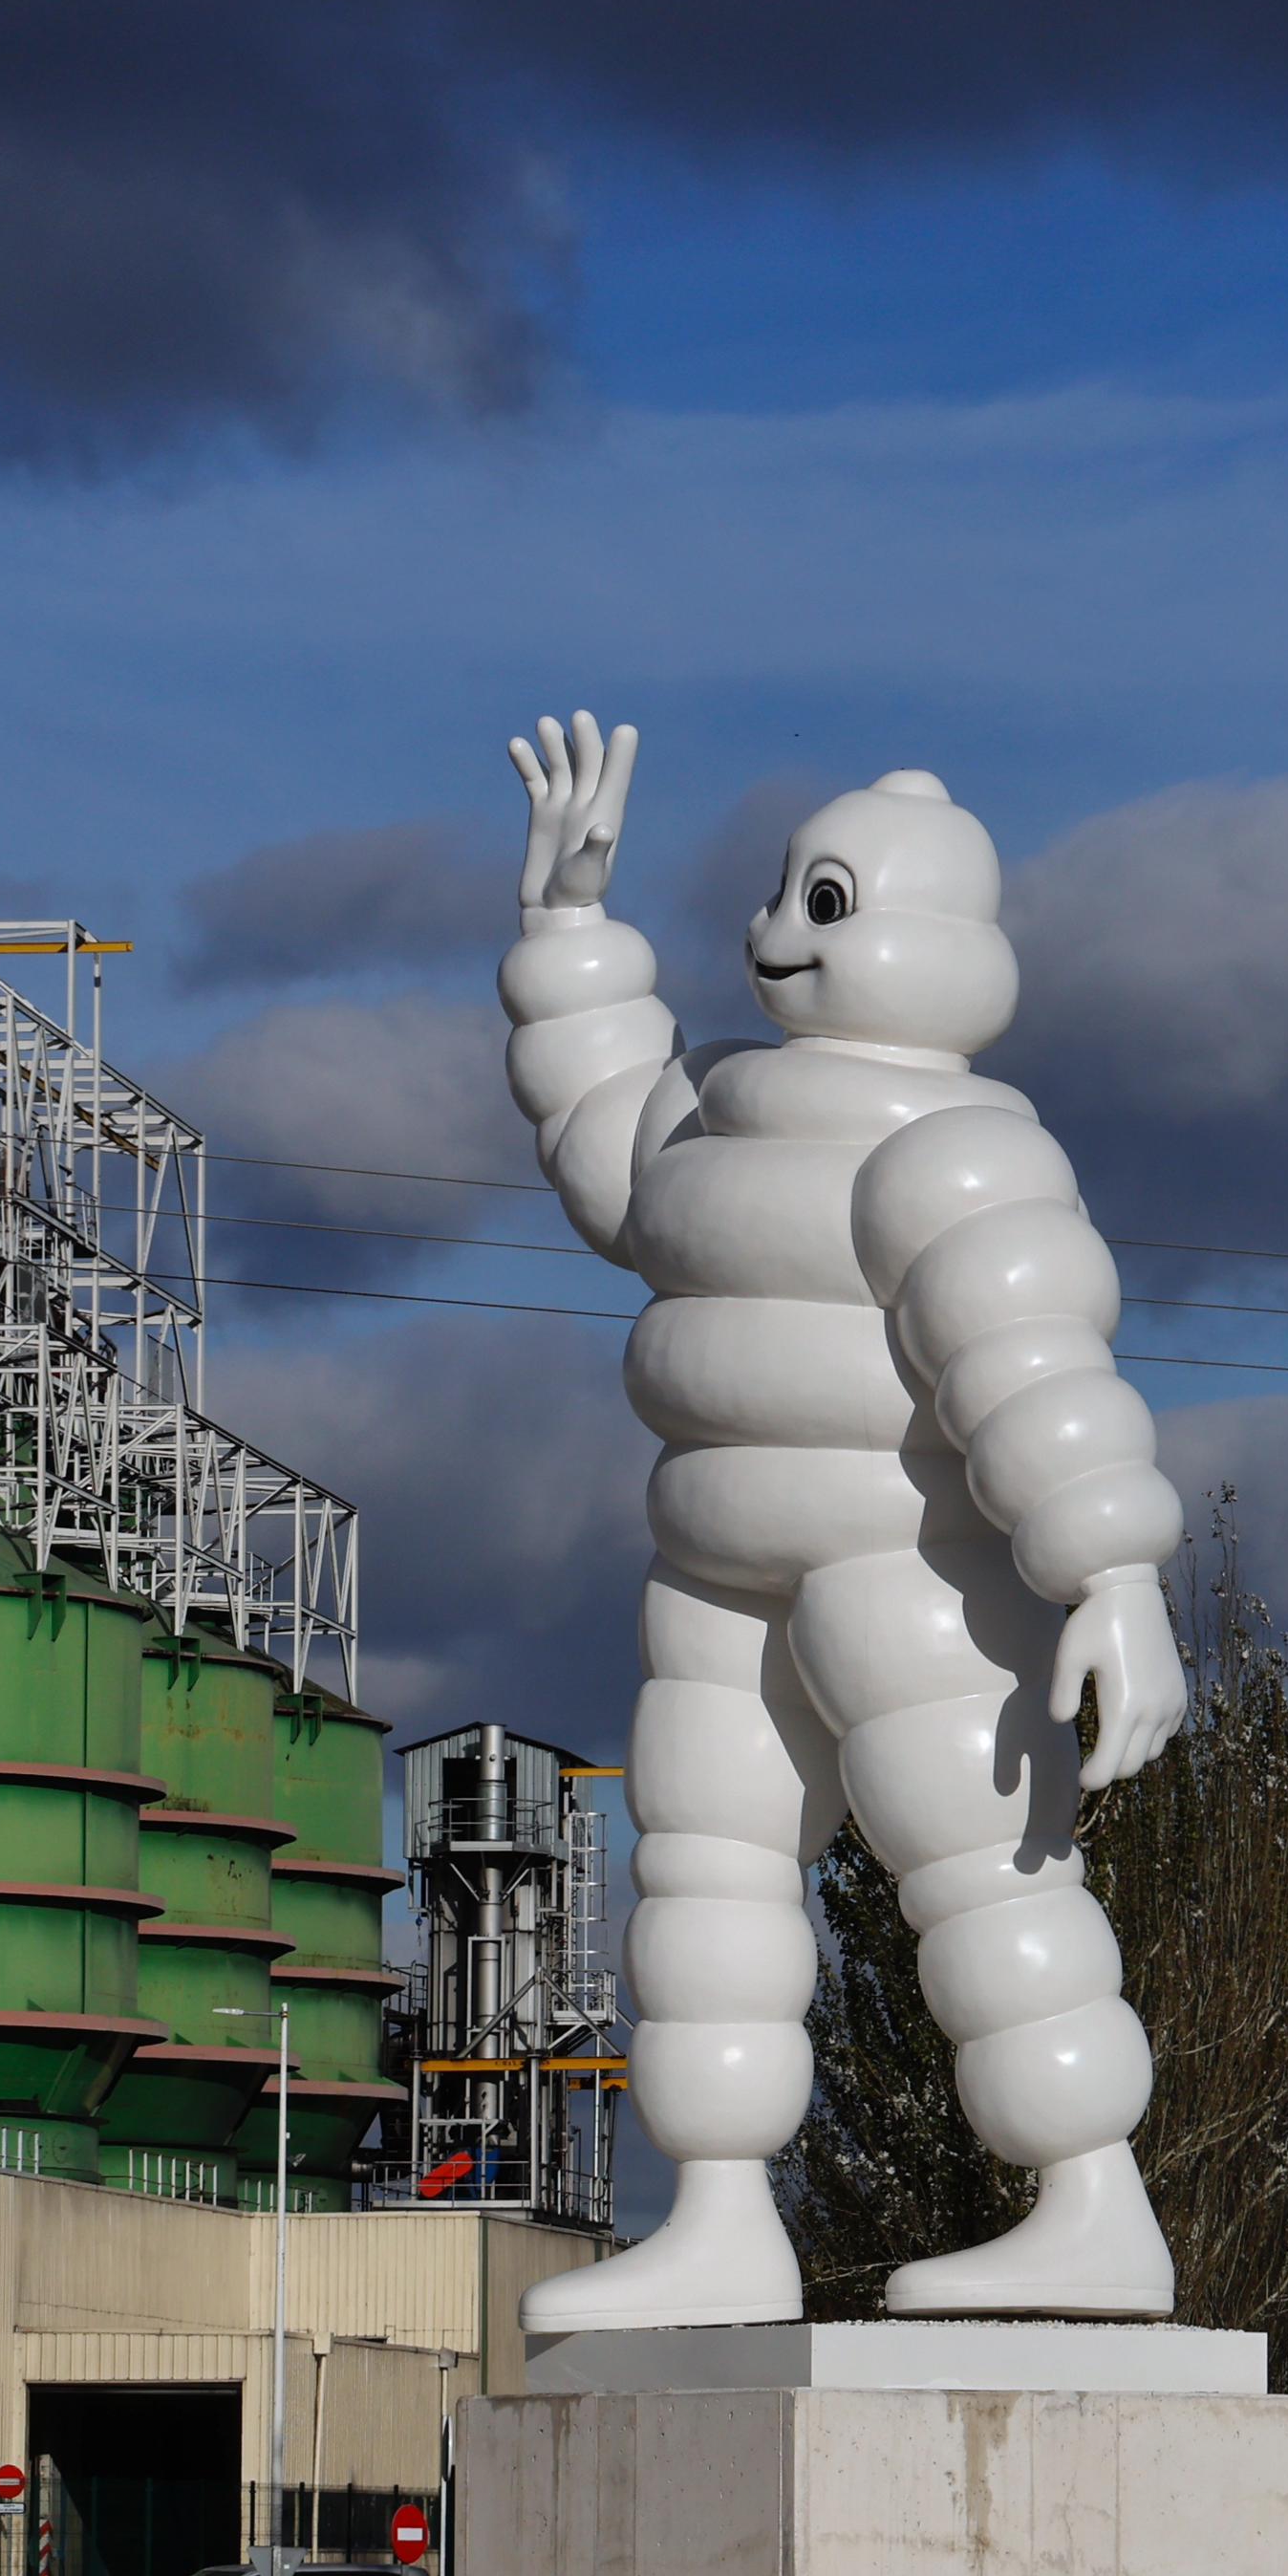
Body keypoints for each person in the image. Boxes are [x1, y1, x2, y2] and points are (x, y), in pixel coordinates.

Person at [493, 710, 1188, 2329]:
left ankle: (1094, 2196)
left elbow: (1035, 1359)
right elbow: (602, 1141)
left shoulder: (956, 1150)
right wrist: (569, 924)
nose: (776, 929)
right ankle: (722, 2210)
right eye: (784, 893)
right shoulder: (711, 1113)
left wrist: (1111, 1567)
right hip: (716, 1570)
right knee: (706, 1872)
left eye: (826, 900)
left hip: (906, 1564)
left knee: (987, 1865)